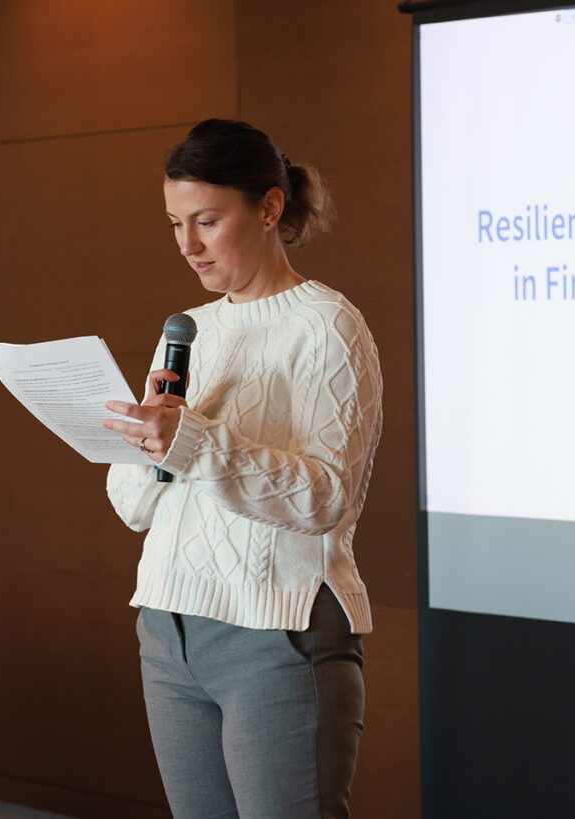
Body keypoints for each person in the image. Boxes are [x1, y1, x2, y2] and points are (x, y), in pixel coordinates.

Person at [102, 118, 383, 819]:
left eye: (206, 220)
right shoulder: (189, 329)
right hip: (168, 630)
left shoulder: (327, 326)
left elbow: (327, 496)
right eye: (174, 223)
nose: (188, 245)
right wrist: (141, 447)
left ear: (269, 208)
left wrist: (192, 440)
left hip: (275, 631)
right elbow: (137, 505)